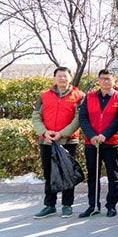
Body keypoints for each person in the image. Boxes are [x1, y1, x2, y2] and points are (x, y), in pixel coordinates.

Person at [32, 67, 84, 219]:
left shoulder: (79, 96)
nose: (62, 79)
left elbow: (78, 119)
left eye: (65, 76)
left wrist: (62, 133)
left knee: (68, 172)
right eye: (59, 76)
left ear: (70, 78)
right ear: (54, 78)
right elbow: (36, 116)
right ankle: (50, 205)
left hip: (68, 140)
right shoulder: (44, 95)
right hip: (47, 141)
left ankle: (67, 205)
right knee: (49, 173)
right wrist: (44, 132)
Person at [78, 69, 118, 218]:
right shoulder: (89, 97)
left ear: (113, 81)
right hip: (92, 143)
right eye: (103, 78)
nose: (105, 81)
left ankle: (111, 206)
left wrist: (105, 135)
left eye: (108, 79)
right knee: (93, 175)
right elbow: (83, 117)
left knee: (113, 175)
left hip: (111, 142)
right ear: (98, 80)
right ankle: (93, 205)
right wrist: (91, 135)